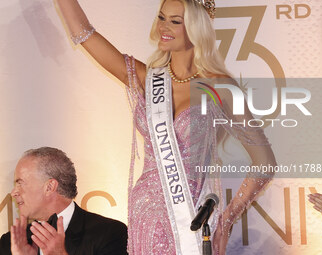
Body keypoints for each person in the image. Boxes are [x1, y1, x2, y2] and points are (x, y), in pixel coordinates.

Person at [53, 0, 276, 254]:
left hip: (192, 218)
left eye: (175, 21)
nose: (163, 27)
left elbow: (265, 162)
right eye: (161, 17)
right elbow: (84, 32)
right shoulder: (147, 79)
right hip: (145, 214)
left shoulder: (221, 87)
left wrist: (227, 220)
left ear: (196, 28)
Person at [0, 147, 128, 255]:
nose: (13, 192)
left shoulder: (110, 233)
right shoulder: (10, 242)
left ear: (49, 187)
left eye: (20, 183)